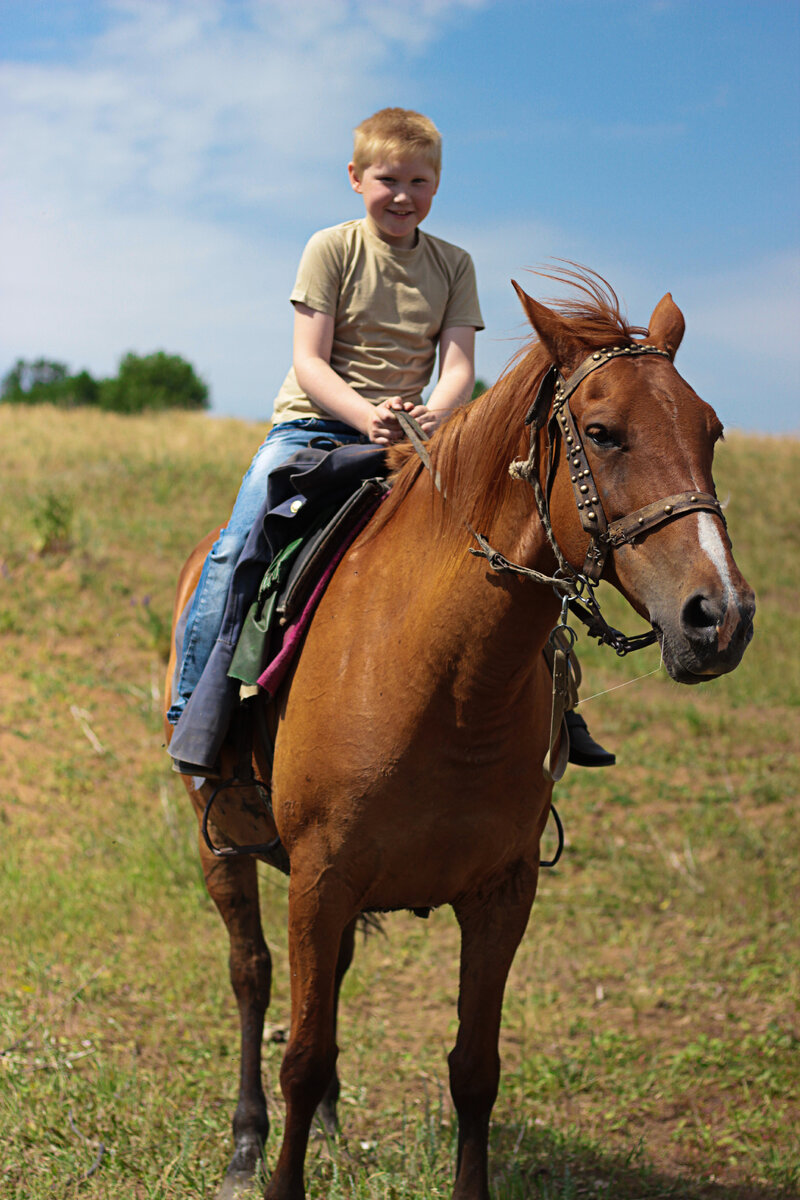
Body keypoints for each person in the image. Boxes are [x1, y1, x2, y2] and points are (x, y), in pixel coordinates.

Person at [168, 106, 613, 773]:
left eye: (419, 182)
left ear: (437, 186)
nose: (403, 195)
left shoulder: (453, 264)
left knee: (511, 534)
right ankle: (196, 704)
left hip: (413, 435)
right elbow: (310, 359)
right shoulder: (331, 249)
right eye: (387, 179)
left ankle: (553, 705)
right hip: (316, 425)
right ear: (355, 178)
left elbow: (458, 364)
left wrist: (433, 414)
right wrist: (364, 413)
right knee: (239, 542)